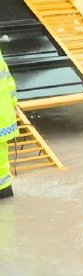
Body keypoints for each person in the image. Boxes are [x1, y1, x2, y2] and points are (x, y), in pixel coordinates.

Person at [0, 48, 18, 199]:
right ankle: (5, 193)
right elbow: (9, 82)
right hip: (3, 118)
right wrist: (13, 103)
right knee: (2, 163)